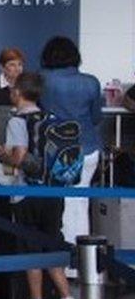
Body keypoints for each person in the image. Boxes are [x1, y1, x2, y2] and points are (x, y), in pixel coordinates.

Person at [0, 72, 82, 299]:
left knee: (30, 248)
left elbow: (19, 157)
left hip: (27, 194)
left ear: (18, 93)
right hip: (53, 193)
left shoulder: (17, 121)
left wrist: (2, 154)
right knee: (52, 243)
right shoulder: (51, 118)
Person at [39, 37, 102, 253]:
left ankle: (62, 260)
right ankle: (81, 259)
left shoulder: (43, 80)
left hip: (57, 150)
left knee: (60, 204)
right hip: (89, 148)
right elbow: (96, 118)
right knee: (81, 202)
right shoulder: (91, 82)